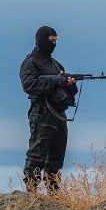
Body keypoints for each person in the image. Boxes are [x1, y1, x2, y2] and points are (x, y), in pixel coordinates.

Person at [19, 26, 77, 192]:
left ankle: (53, 192)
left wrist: (70, 84)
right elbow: (29, 84)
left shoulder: (55, 64)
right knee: (37, 155)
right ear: (40, 40)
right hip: (42, 113)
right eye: (51, 41)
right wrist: (56, 81)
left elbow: (65, 90)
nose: (53, 44)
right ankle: (31, 192)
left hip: (58, 115)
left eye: (55, 41)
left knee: (56, 159)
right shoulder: (30, 62)